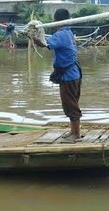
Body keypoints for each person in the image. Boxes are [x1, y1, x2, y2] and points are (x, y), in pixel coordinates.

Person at [32, 9, 83, 143]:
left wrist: (37, 41)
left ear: (56, 21)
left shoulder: (61, 35)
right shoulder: (68, 33)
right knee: (71, 103)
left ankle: (76, 135)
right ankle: (73, 131)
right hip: (73, 74)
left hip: (69, 76)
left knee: (70, 104)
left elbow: (46, 44)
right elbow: (49, 42)